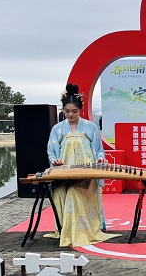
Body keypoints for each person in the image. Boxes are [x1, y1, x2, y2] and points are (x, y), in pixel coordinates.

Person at [44, 83, 116, 248]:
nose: (70, 114)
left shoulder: (91, 127)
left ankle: (82, 230)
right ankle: (66, 230)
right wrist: (55, 161)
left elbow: (99, 150)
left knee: (74, 193)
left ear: (80, 110)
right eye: (67, 111)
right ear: (63, 110)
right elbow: (51, 152)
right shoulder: (57, 129)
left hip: (86, 174)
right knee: (60, 194)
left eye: (74, 111)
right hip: (64, 174)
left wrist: (100, 159)